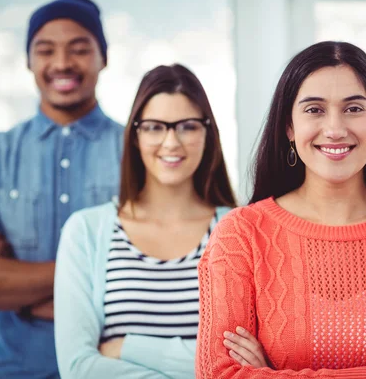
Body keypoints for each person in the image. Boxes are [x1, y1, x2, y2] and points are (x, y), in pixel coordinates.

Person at [196, 41, 366, 378]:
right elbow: (219, 375)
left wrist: (271, 374)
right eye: (314, 110)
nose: (336, 129)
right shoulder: (240, 234)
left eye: (354, 108)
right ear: (289, 128)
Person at [53, 63, 237, 378]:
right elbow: (78, 368)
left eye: (188, 126)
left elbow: (248, 363)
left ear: (208, 132)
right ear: (135, 136)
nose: (171, 143)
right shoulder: (86, 231)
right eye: (154, 127)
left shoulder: (239, 230)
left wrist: (127, 348)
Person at [0, 0, 122, 378]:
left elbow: (153, 280)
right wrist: (92, 274)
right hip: (16, 367)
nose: (61, 64)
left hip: (116, 366)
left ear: (102, 58)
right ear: (28, 61)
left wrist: (17, 283)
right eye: (45, 50)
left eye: (79, 49)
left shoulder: (139, 152)